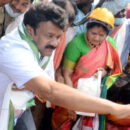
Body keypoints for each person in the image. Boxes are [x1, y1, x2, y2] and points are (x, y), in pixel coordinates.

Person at [1, 3, 130, 130]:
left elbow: (47, 84)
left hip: (18, 106)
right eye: (50, 36)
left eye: (59, 36)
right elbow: (51, 90)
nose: (55, 43)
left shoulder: (41, 42)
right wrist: (116, 109)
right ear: (30, 30)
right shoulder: (13, 50)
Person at [52, 8, 122, 129]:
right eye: (93, 33)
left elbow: (113, 69)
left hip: (94, 97)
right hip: (72, 93)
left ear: (107, 34)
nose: (96, 38)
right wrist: (70, 104)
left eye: (102, 35)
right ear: (87, 29)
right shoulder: (76, 44)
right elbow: (66, 74)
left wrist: (104, 72)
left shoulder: (109, 44)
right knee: (65, 123)